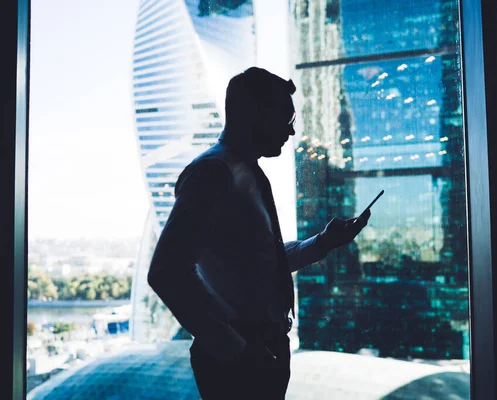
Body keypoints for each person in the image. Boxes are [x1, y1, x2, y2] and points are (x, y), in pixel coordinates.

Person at [147, 67, 370, 399]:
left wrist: (325, 242)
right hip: (242, 358)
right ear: (257, 114)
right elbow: (166, 272)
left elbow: (263, 263)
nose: (291, 132)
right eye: (286, 119)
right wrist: (236, 350)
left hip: (259, 350)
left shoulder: (242, 173)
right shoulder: (213, 174)